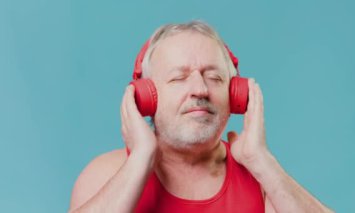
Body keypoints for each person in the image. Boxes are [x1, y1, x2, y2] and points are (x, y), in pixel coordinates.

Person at [69, 21, 333, 213]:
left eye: (214, 77)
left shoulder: (261, 181)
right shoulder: (105, 172)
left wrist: (261, 161)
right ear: (146, 96)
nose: (200, 89)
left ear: (235, 95)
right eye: (178, 78)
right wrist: (140, 160)